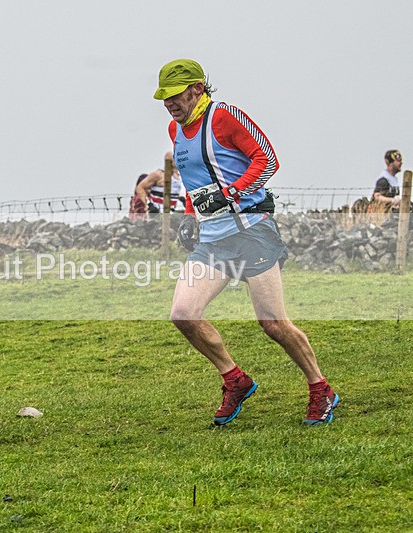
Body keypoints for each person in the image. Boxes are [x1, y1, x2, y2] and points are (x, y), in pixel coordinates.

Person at [152, 59, 339, 426]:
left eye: (175, 96)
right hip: (213, 240)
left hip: (252, 233)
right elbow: (193, 182)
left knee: (273, 324)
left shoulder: (224, 117)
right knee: (183, 314)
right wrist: (189, 215)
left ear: (197, 89)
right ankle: (235, 380)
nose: (169, 104)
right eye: (164, 98)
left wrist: (232, 193)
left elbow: (267, 161)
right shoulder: (176, 130)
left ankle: (321, 389)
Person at [130, 152, 185, 218]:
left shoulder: (179, 175)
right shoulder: (158, 174)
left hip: (171, 212)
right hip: (157, 214)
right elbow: (140, 187)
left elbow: (172, 191)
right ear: (170, 161)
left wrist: (182, 199)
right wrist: (149, 204)